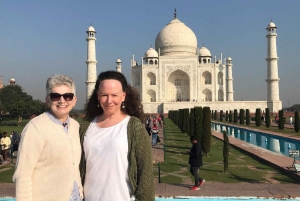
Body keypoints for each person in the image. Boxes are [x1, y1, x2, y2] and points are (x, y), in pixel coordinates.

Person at [79, 71, 154, 201]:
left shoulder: (133, 127)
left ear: (123, 96)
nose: (109, 100)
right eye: (104, 95)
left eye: (114, 95)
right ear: (97, 96)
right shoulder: (86, 126)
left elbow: (145, 172)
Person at [13, 74, 83, 201]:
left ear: (74, 100)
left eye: (68, 96)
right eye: (55, 96)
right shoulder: (36, 127)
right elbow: (23, 175)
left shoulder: (75, 126)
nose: (62, 101)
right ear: (47, 100)